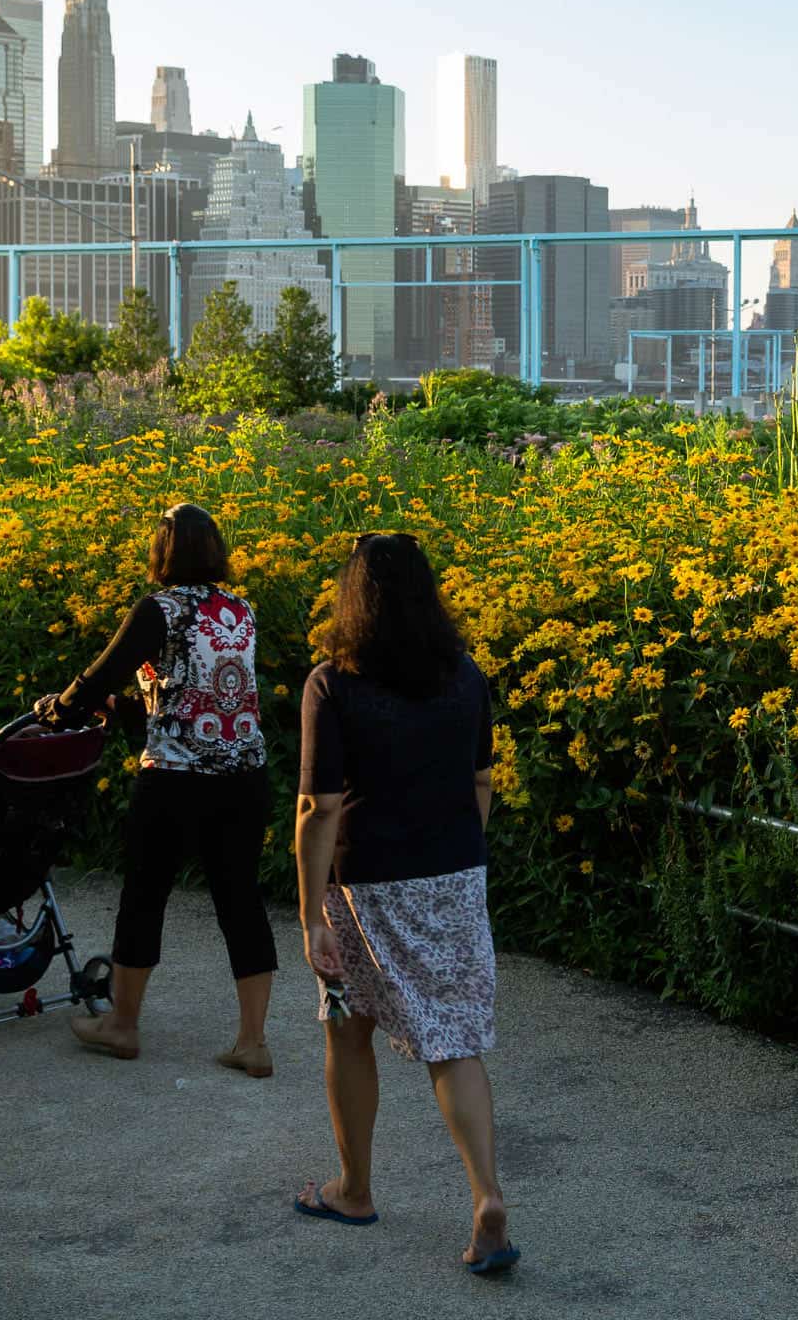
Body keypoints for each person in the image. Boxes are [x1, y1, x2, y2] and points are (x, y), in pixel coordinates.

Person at [293, 532, 518, 1275]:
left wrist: (307, 914)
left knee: (347, 1027)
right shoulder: (466, 677)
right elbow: (482, 784)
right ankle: (486, 1195)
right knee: (453, 1040)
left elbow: (319, 807)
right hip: (454, 872)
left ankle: (354, 1189)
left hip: (365, 883)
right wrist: (453, 860)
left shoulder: (333, 682)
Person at [34, 502, 276, 1076]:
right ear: (214, 549)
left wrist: (61, 708)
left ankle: (121, 1026)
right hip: (244, 774)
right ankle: (253, 1042)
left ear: (163, 551)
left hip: (175, 779)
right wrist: (120, 708)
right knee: (239, 900)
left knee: (144, 897)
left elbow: (102, 674)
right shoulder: (240, 610)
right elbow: (193, 693)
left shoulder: (159, 609)